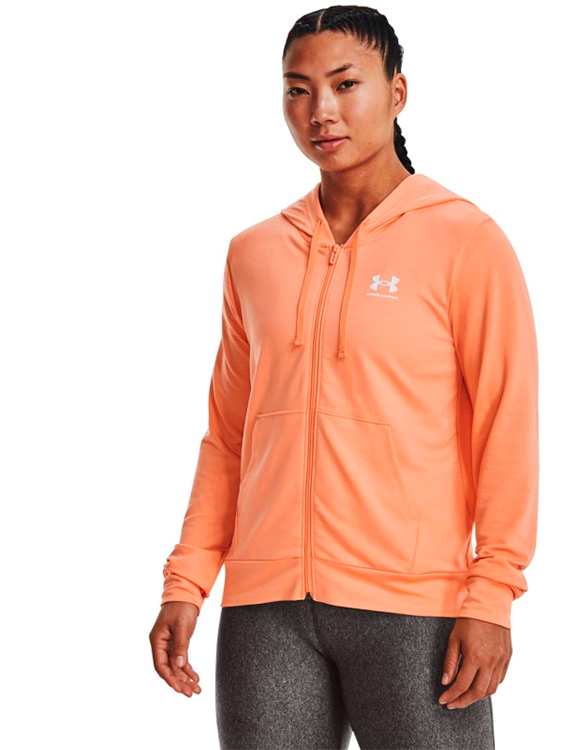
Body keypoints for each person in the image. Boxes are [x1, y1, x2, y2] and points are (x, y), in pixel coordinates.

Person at [149, 5, 539, 749]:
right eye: (297, 89)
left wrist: (492, 594)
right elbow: (229, 437)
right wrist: (188, 579)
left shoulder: (466, 241)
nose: (320, 110)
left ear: (397, 92)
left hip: (416, 608)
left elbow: (506, 427)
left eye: (345, 84)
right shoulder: (254, 253)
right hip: (266, 612)